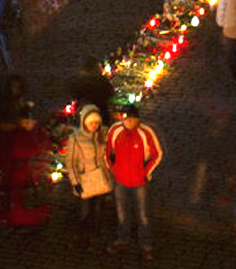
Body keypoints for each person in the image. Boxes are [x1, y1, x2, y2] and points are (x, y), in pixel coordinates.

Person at [106, 105, 163, 259]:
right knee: (122, 213)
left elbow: (157, 154)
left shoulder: (146, 132)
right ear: (123, 118)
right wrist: (114, 170)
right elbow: (106, 151)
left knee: (143, 214)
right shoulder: (115, 130)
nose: (130, 122)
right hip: (121, 181)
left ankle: (145, 244)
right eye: (128, 118)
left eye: (134, 118)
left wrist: (145, 172)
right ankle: (122, 240)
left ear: (138, 119)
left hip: (140, 182)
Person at [63, 104, 114, 238]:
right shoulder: (75, 138)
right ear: (85, 122)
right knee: (85, 211)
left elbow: (111, 152)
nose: (94, 126)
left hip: (102, 178)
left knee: (98, 209)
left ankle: (96, 232)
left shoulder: (104, 132)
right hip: (84, 179)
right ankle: (83, 234)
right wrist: (75, 182)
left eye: (97, 123)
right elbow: (70, 162)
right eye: (91, 123)